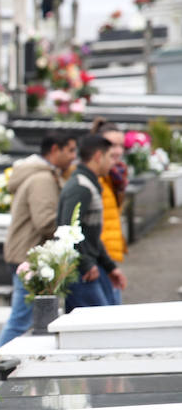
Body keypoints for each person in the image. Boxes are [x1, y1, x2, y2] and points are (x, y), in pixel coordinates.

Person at [0, 134, 78, 349]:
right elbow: (45, 221)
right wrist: (73, 230)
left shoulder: (42, 175)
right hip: (29, 257)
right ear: (54, 150)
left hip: (26, 253)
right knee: (21, 321)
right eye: (69, 150)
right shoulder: (42, 179)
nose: (73, 156)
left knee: (24, 319)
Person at [57, 134, 127, 312]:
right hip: (82, 271)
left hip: (90, 266)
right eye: (109, 156)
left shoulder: (89, 183)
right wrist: (86, 264)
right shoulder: (81, 186)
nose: (113, 162)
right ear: (97, 156)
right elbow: (68, 229)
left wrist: (110, 267)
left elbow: (92, 236)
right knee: (99, 326)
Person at [90, 118, 127, 305]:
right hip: (99, 258)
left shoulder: (114, 176)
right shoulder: (96, 178)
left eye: (121, 145)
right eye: (112, 145)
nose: (118, 151)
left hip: (108, 256)